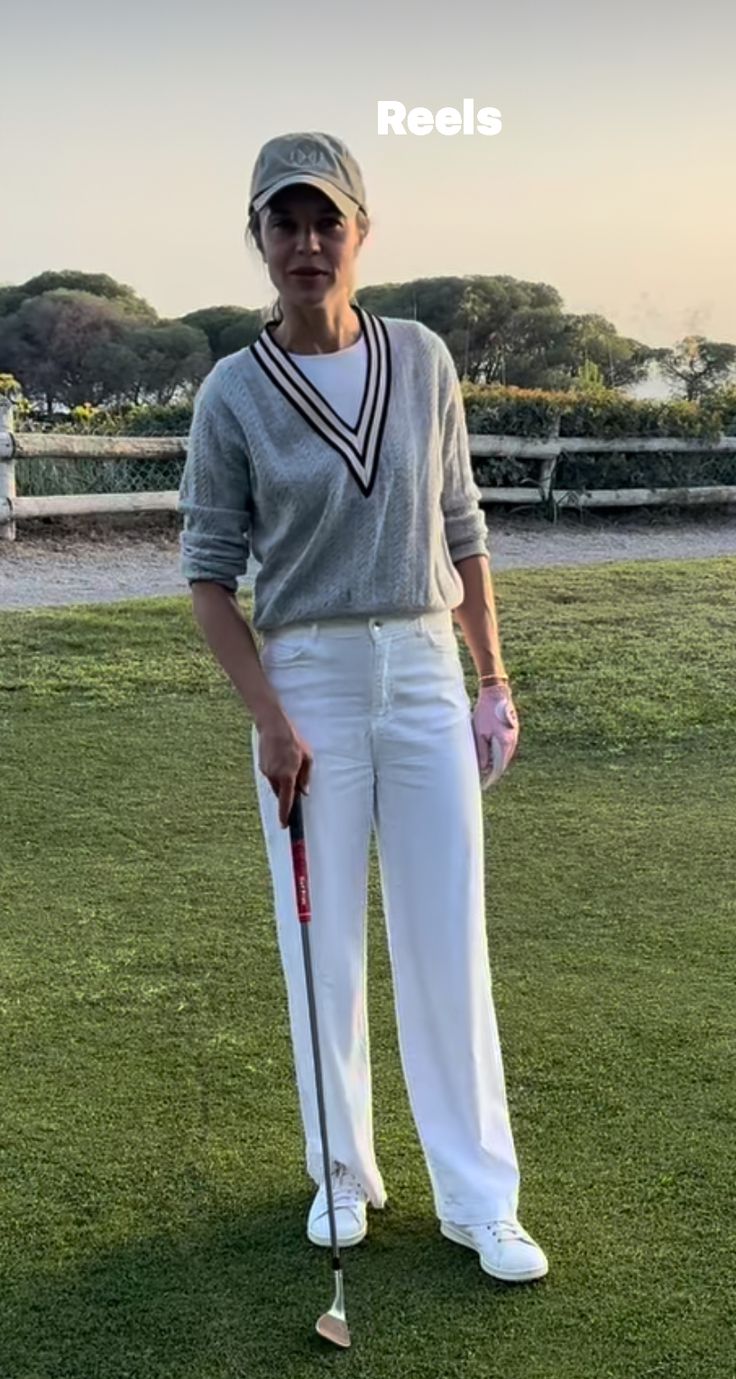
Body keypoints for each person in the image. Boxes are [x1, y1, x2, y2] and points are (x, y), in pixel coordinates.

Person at [177, 130, 548, 1284]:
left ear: (361, 229)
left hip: (428, 668)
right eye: (282, 223)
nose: (305, 243)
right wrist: (269, 719)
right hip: (308, 682)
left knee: (446, 937)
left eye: (325, 219)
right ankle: (342, 1171)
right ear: (258, 238)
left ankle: (478, 1196)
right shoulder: (233, 391)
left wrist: (492, 677)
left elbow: (463, 528)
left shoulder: (423, 355)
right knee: (318, 940)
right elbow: (208, 573)